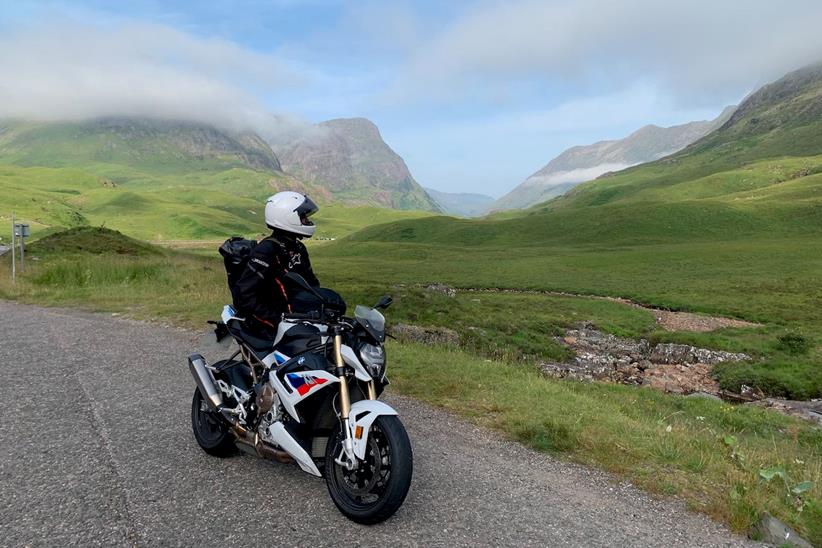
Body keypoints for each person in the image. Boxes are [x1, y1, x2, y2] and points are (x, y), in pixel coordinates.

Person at [234, 191, 321, 333]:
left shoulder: (298, 247)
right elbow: (245, 294)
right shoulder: (266, 251)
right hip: (276, 323)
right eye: (302, 217)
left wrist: (321, 305)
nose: (306, 220)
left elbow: (311, 283)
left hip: (300, 317)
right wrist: (276, 320)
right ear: (287, 217)